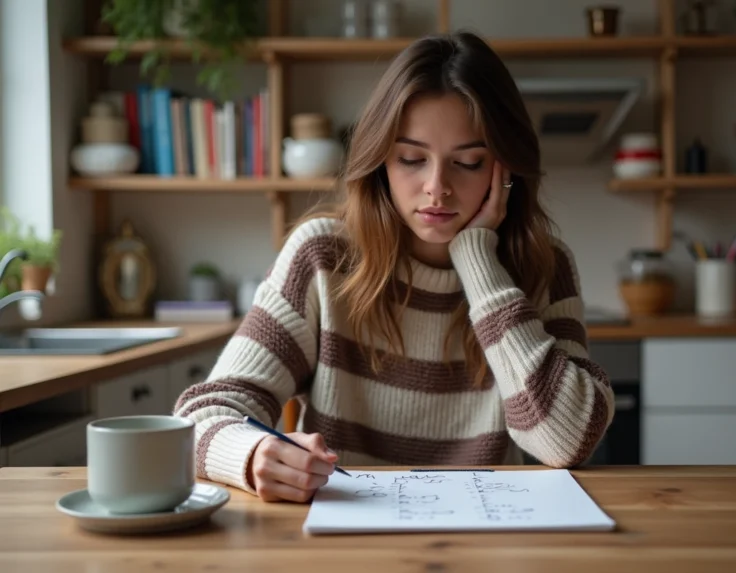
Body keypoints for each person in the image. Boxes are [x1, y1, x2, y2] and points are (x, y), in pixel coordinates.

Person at [174, 30, 614, 503]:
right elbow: (201, 415)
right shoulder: (322, 256)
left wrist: (478, 262)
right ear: (381, 159)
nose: (436, 187)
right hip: (342, 541)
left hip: (487, 541)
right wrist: (252, 452)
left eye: (467, 162)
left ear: (505, 172)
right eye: (411, 159)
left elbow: (568, 441)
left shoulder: (543, 267)